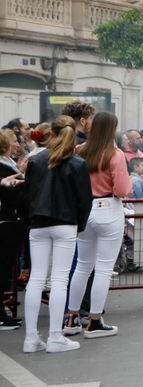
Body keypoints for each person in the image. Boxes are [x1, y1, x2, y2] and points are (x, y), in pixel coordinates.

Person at [19, 117, 92, 353]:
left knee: (37, 279)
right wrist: (79, 225)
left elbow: (27, 194)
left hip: (38, 223)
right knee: (60, 279)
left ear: (52, 132)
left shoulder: (36, 160)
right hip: (65, 222)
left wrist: (31, 218)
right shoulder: (77, 163)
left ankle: (31, 338)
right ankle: (54, 336)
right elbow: (85, 200)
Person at [63, 112, 130, 339]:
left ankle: (71, 318)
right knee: (103, 269)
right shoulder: (115, 154)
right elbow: (122, 189)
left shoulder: (80, 151)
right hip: (108, 208)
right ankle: (94, 321)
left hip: (85, 210)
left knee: (83, 265)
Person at [0, 129, 27, 329]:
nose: (17, 143)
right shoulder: (5, 168)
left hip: (9, 221)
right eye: (14, 140)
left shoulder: (9, 165)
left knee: (5, 268)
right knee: (3, 269)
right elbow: (14, 195)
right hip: (7, 222)